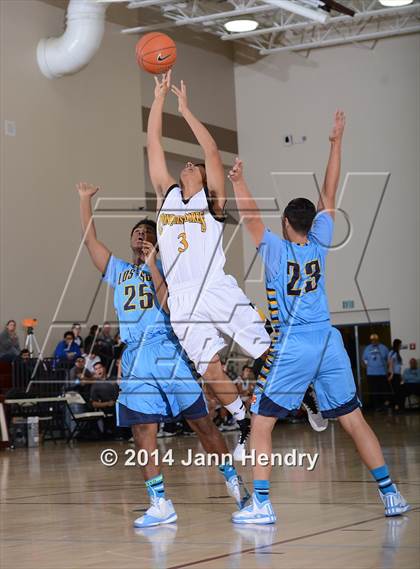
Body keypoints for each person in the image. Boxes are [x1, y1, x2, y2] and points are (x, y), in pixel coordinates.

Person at [229, 111, 410, 524]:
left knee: (260, 422)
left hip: (294, 343)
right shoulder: (320, 241)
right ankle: (391, 494)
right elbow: (330, 194)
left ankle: (261, 503)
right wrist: (335, 143)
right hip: (328, 341)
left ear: (286, 223)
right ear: (311, 224)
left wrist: (239, 180)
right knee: (353, 420)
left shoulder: (276, 251)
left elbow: (252, 218)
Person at [76, 181, 250, 528]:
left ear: (156, 240)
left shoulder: (170, 268)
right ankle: (159, 503)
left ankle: (235, 484)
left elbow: (170, 307)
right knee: (142, 431)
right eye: (135, 232)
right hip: (137, 355)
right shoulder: (120, 271)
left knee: (201, 424)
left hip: (167, 351)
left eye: (145, 232)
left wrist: (154, 263)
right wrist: (84, 202)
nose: (139, 236)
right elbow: (91, 243)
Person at [147, 71, 271, 457]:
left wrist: (183, 111)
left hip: (214, 286)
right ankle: (243, 419)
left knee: (266, 350)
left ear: (202, 178)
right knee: (209, 368)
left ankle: (309, 393)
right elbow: (152, 142)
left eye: (193, 165)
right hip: (183, 300)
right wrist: (157, 99)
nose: (187, 164)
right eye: (185, 164)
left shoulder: (212, 202)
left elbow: (212, 151)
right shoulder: (166, 197)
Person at [362, 334, 390, 410]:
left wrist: (388, 370)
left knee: (384, 390)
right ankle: (376, 406)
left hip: (382, 373)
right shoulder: (367, 348)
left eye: (375, 340)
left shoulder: (384, 348)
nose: (373, 341)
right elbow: (364, 360)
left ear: (378, 340)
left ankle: (385, 405)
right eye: (372, 340)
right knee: (373, 391)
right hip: (371, 374)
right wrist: (367, 367)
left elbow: (389, 360)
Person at [388, 339, 404, 413]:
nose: (400, 346)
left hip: (397, 375)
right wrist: (391, 374)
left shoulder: (397, 353)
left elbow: (398, 366)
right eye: (400, 345)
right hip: (394, 375)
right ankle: (396, 407)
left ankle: (397, 407)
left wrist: (400, 376)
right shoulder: (392, 353)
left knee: (398, 391)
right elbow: (391, 364)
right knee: (396, 392)